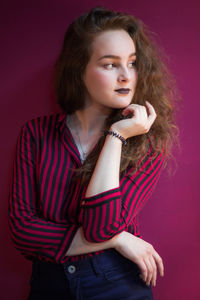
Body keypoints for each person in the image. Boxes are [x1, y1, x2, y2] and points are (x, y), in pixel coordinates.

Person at [8, 5, 178, 300]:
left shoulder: (147, 142)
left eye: (133, 62)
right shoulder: (35, 133)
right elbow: (23, 230)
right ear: (79, 68)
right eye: (110, 64)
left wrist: (117, 136)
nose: (126, 76)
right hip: (49, 285)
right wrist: (121, 239)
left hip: (116, 282)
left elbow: (100, 229)